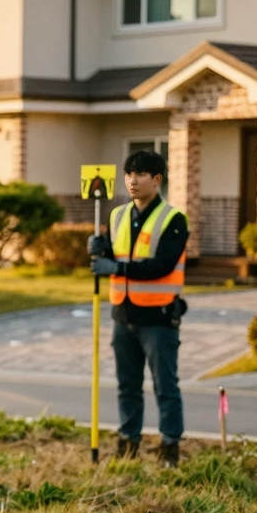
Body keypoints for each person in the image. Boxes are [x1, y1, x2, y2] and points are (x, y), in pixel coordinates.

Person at [87, 149, 188, 467]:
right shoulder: (116, 216)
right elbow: (112, 258)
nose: (132, 180)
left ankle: (169, 447)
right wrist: (96, 250)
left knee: (165, 387)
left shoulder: (173, 219)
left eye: (140, 174)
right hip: (123, 315)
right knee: (127, 386)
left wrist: (114, 267)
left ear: (156, 180)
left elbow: (162, 265)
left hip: (158, 317)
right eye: (128, 174)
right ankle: (128, 442)